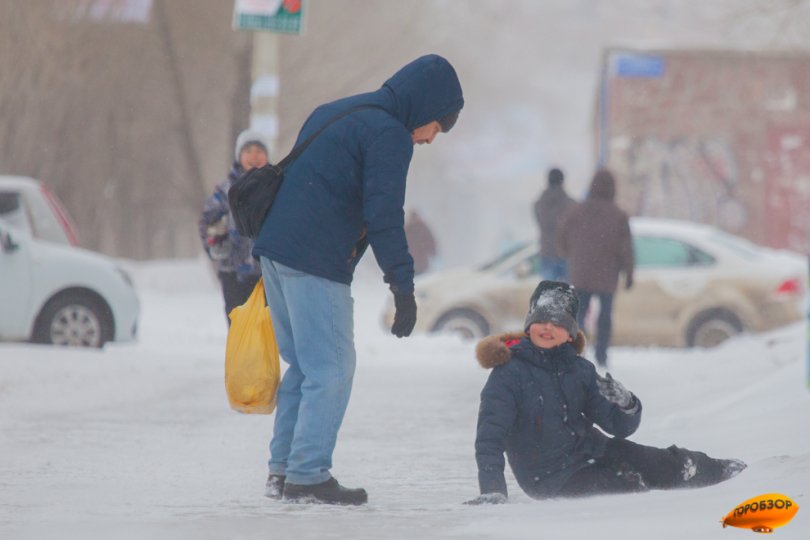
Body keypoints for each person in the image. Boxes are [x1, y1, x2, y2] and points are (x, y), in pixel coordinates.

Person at [252, 54, 464, 505]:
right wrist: (402, 287)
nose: (430, 139)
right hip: (314, 258)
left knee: (305, 366)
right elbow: (384, 215)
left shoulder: (337, 110)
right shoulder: (390, 134)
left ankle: (283, 470)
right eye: (437, 129)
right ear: (427, 110)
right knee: (331, 370)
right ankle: (307, 476)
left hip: (275, 250)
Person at [466, 280, 746, 504]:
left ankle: (719, 471)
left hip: (595, 451)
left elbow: (618, 427)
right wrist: (493, 489)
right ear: (529, 325)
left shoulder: (579, 369)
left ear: (571, 333)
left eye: (559, 322)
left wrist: (626, 405)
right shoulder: (509, 373)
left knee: (655, 462)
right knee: (623, 488)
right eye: (541, 320)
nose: (548, 327)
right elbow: (490, 436)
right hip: (549, 477)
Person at [556, 168, 634, 367]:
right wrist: (629, 272)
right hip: (607, 274)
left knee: (580, 314)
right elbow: (625, 247)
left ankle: (579, 348)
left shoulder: (576, 211)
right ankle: (602, 353)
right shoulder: (618, 215)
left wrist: (570, 254)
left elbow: (562, 236)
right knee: (605, 315)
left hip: (581, 273)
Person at [198, 130, 269, 323]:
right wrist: (215, 243)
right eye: (248, 151)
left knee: (266, 326)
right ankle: (240, 354)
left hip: (268, 273)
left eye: (259, 151)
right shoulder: (225, 190)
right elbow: (206, 222)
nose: (254, 156)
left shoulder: (275, 187)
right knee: (238, 325)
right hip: (233, 272)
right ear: (239, 156)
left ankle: (261, 355)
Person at [533, 167, 574, 281]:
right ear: (562, 181)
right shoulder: (570, 205)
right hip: (565, 255)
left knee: (548, 294)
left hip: (546, 253)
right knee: (565, 295)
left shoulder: (539, 204)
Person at [404, 209, 437, 275]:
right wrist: (433, 251)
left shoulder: (407, 229)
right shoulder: (421, 227)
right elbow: (430, 240)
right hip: (420, 261)